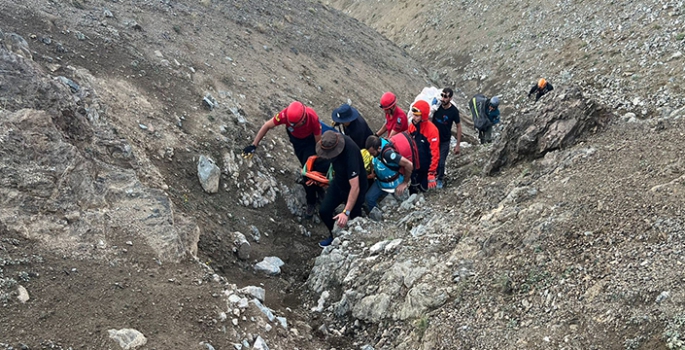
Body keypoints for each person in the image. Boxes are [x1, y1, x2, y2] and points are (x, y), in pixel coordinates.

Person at [242, 101, 325, 218]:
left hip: (309, 142)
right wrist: (254, 145)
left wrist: (317, 156)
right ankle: (315, 187)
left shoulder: (312, 117)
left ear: (302, 120)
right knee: (304, 165)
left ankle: (311, 200)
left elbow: (318, 141)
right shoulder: (285, 115)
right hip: (296, 142)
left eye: (294, 124)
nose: (291, 125)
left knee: (308, 171)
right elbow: (267, 125)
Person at [316, 131, 368, 247]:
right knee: (324, 210)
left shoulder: (351, 152)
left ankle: (354, 244)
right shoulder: (331, 140)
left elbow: (355, 187)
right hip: (339, 181)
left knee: (355, 218)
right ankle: (333, 235)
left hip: (355, 187)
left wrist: (346, 212)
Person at [364, 135, 413, 214]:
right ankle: (376, 218)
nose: (371, 155)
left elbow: (409, 164)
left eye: (372, 153)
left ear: (379, 148)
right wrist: (373, 171)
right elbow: (374, 160)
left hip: (394, 183)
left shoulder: (388, 155)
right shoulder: (377, 150)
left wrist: (405, 182)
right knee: (369, 198)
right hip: (381, 182)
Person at [430, 87, 461, 189]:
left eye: (445, 97)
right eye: (442, 95)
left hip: (444, 140)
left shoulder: (454, 111)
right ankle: (431, 177)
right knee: (431, 159)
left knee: (441, 162)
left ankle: (440, 179)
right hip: (433, 139)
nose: (443, 98)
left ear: (450, 98)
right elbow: (429, 118)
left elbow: (458, 126)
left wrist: (457, 144)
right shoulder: (437, 106)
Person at [407, 100, 440, 192]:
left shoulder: (432, 131)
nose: (414, 117)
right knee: (413, 187)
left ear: (423, 116)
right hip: (415, 166)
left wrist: (431, 173)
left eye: (417, 116)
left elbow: (435, 154)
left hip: (427, 167)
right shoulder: (412, 127)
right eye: (414, 114)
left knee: (424, 189)